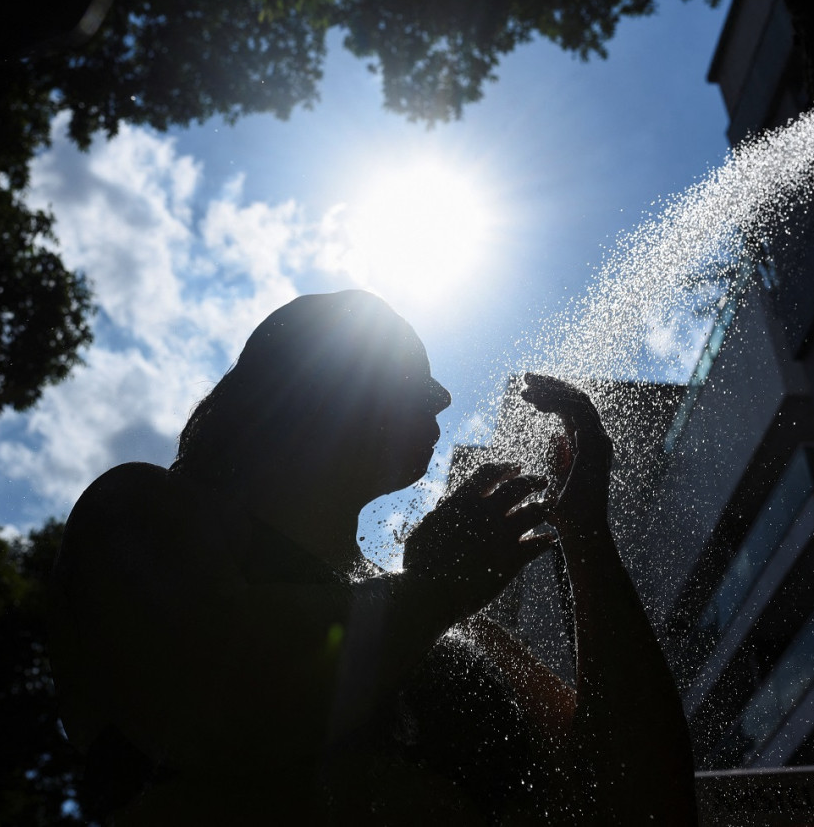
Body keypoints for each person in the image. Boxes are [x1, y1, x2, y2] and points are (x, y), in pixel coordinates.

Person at [50, 290, 697, 824]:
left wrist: (584, 533)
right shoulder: (145, 509)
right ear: (301, 378)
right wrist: (435, 589)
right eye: (401, 363)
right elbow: (217, 699)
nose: (442, 396)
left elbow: (643, 801)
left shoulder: (463, 627)